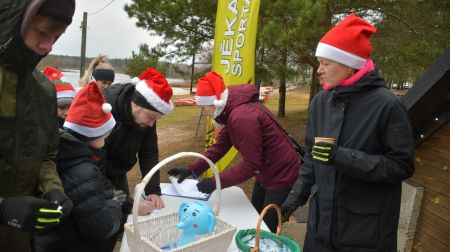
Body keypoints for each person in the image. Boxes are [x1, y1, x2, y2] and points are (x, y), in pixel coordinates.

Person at [280, 14, 415, 251]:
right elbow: (312, 157)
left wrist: (342, 157)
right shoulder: (320, 102)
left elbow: (401, 166)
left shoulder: (388, 105)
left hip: (365, 235)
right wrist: (295, 196)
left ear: (350, 65)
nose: (319, 70)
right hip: (320, 228)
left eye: (326, 63)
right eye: (319, 62)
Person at [168, 71, 300, 233]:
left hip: (282, 174)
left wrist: (214, 183)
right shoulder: (231, 112)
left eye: (203, 107)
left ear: (214, 103)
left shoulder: (241, 117)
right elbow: (220, 147)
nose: (204, 112)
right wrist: (192, 170)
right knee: (255, 219)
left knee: (266, 229)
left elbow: (252, 164)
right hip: (266, 170)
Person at [0, 0, 75, 251]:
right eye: (42, 31)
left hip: (16, 237)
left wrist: (52, 189)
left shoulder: (43, 91)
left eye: (56, 36)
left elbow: (46, 155)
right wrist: (2, 207)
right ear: (12, 21)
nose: (48, 46)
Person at [33, 81, 124, 252]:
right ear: (94, 132)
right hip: (69, 244)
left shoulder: (61, 151)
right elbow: (101, 228)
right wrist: (114, 205)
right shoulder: (82, 168)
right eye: (105, 135)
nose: (106, 140)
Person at [100, 67, 174, 233]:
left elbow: (149, 153)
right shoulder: (105, 110)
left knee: (121, 224)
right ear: (135, 104)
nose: (151, 124)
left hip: (118, 171)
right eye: (151, 117)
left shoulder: (146, 116)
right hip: (96, 177)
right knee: (104, 226)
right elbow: (93, 171)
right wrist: (130, 205)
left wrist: (153, 190)